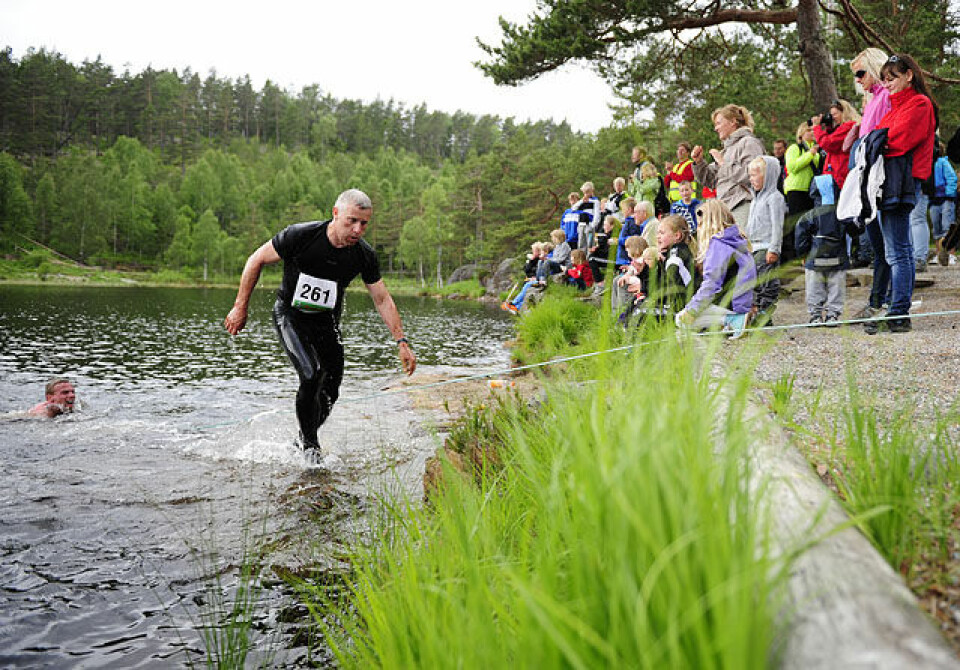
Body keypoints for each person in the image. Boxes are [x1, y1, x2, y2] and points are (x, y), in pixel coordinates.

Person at [223, 189, 416, 452]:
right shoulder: (301, 235)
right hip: (290, 316)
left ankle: (303, 439)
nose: (358, 230)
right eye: (352, 221)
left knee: (331, 390)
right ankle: (312, 449)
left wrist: (401, 341)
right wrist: (239, 307)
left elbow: (382, 299)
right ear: (335, 214)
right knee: (311, 374)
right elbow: (255, 260)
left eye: (364, 224)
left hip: (326, 323)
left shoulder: (363, 255)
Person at [863, 53, 938, 334]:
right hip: (888, 182)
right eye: (885, 78)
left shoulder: (919, 104)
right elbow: (879, 137)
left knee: (899, 251)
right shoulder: (895, 106)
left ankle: (898, 312)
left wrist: (875, 141)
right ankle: (895, 309)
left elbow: (896, 141)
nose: (888, 83)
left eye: (892, 77)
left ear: (909, 75)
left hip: (903, 182)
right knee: (894, 249)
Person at [850, 48, 893, 316]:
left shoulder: (886, 96)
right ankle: (877, 299)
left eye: (861, 72)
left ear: (875, 68)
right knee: (878, 245)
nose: (857, 79)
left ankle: (883, 300)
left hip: (879, 180)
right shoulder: (872, 100)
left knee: (886, 246)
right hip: (865, 181)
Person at [675, 199, 757, 338]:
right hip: (741, 303)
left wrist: (691, 311)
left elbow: (711, 285)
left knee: (680, 319)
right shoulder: (736, 240)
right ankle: (732, 321)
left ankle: (732, 320)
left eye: (700, 223)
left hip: (730, 305)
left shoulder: (718, 244)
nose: (698, 228)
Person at [692, 104, 766, 227]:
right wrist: (699, 163)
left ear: (733, 122)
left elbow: (753, 177)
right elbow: (711, 181)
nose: (716, 128)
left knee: (742, 245)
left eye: (718, 123)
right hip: (725, 209)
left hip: (743, 205)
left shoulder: (749, 142)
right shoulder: (725, 151)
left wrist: (723, 163)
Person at [795, 174, 850, 326]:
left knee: (814, 287)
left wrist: (803, 254)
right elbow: (854, 229)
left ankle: (815, 315)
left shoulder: (810, 215)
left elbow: (801, 237)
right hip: (838, 257)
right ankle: (833, 315)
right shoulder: (842, 213)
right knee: (836, 287)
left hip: (815, 257)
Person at [745, 156, 787, 324]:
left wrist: (774, 248)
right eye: (750, 175)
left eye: (755, 175)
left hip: (766, 247)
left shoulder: (774, 198)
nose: (751, 179)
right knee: (755, 282)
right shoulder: (756, 199)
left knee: (767, 283)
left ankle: (765, 313)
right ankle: (755, 312)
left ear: (768, 175)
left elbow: (778, 225)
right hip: (754, 248)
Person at [812, 99, 861, 190]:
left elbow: (828, 143)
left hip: (839, 173)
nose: (833, 117)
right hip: (836, 172)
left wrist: (816, 127)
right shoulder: (841, 127)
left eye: (835, 114)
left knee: (832, 203)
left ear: (844, 112)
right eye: (831, 115)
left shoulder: (848, 126)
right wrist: (829, 127)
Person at [784, 123, 822, 216]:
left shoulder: (817, 152)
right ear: (801, 133)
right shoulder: (795, 148)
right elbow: (792, 167)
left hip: (810, 190)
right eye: (809, 130)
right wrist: (809, 154)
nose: (812, 132)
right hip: (796, 189)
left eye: (813, 130)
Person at [931, 141, 958, 266]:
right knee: (936, 227)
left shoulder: (943, 163)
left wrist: (948, 193)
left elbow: (952, 178)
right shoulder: (929, 164)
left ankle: (951, 254)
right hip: (934, 200)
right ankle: (939, 254)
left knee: (947, 226)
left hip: (946, 199)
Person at [588, 214, 615, 288]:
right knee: (591, 255)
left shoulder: (615, 235)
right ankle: (598, 281)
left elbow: (610, 250)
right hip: (605, 256)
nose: (604, 227)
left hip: (613, 259)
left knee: (592, 259)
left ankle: (599, 282)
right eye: (604, 224)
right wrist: (595, 247)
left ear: (612, 226)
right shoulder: (602, 232)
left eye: (606, 225)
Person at [574, 182, 601, 251]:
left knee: (589, 244)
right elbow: (574, 208)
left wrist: (593, 225)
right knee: (581, 244)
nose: (585, 194)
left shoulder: (595, 201)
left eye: (587, 192)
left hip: (589, 225)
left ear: (592, 191)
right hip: (581, 225)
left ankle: (589, 259)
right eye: (584, 192)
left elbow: (597, 214)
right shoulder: (582, 201)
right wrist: (581, 201)